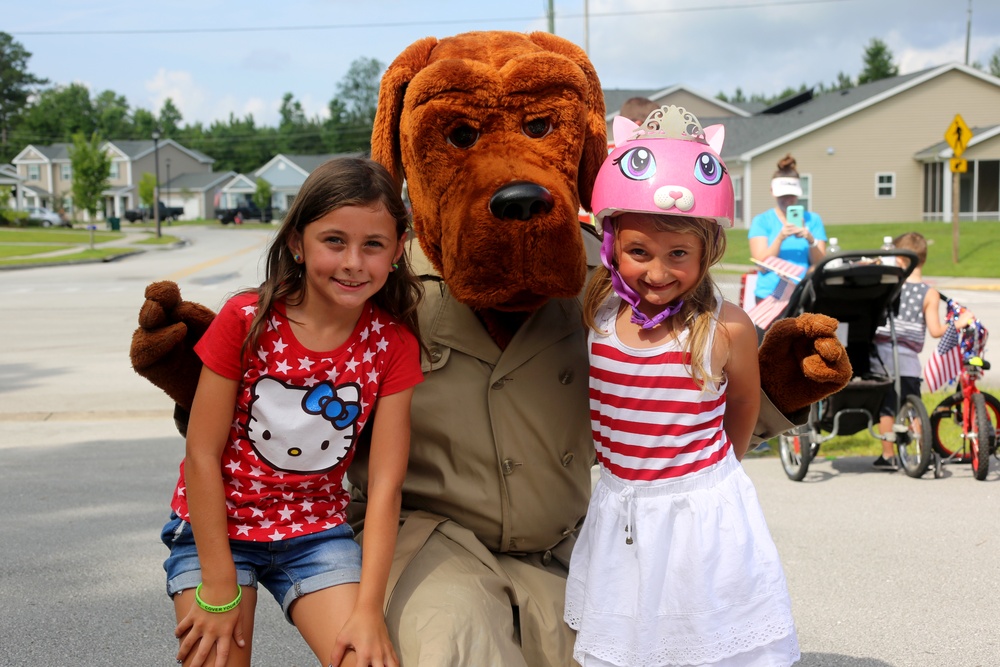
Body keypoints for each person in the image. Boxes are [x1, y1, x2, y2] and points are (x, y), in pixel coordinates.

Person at [160, 156, 424, 667]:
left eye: (373, 244)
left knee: (365, 659)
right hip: (215, 529)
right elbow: (201, 452)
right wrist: (218, 585)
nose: (353, 262)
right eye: (334, 241)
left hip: (316, 533)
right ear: (297, 244)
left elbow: (388, 486)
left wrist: (369, 609)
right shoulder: (245, 320)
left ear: (396, 252)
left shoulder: (392, 345)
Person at [566, 108, 800, 666]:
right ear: (611, 247)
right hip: (621, 506)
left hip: (702, 514)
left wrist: (715, 481)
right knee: (629, 643)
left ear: (707, 252)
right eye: (639, 253)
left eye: (679, 256)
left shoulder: (729, 327)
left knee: (706, 642)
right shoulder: (595, 312)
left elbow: (742, 407)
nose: (658, 272)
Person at [868, 231, 972, 470]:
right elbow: (936, 331)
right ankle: (920, 448)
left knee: (887, 407)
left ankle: (888, 455)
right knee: (911, 404)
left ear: (901, 260)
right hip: (909, 359)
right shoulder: (930, 293)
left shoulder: (890, 285)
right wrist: (960, 321)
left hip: (882, 354)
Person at [748, 154, 827, 302]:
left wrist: (810, 239)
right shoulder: (762, 221)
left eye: (791, 195)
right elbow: (761, 264)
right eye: (782, 195)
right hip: (770, 294)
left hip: (804, 292)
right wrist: (780, 238)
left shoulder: (813, 220)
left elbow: (820, 263)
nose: (787, 200)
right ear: (772, 192)